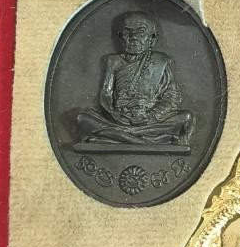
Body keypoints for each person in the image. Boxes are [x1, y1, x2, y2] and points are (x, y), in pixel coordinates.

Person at [76, 11, 194, 146]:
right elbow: (106, 94)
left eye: (141, 32)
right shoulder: (113, 61)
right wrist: (114, 114)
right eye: (128, 33)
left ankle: (115, 137)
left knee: (186, 117)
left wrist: (150, 116)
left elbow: (172, 97)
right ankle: (152, 140)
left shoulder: (160, 61)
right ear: (121, 38)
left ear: (152, 39)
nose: (133, 37)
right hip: (119, 119)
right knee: (82, 118)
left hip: (149, 120)